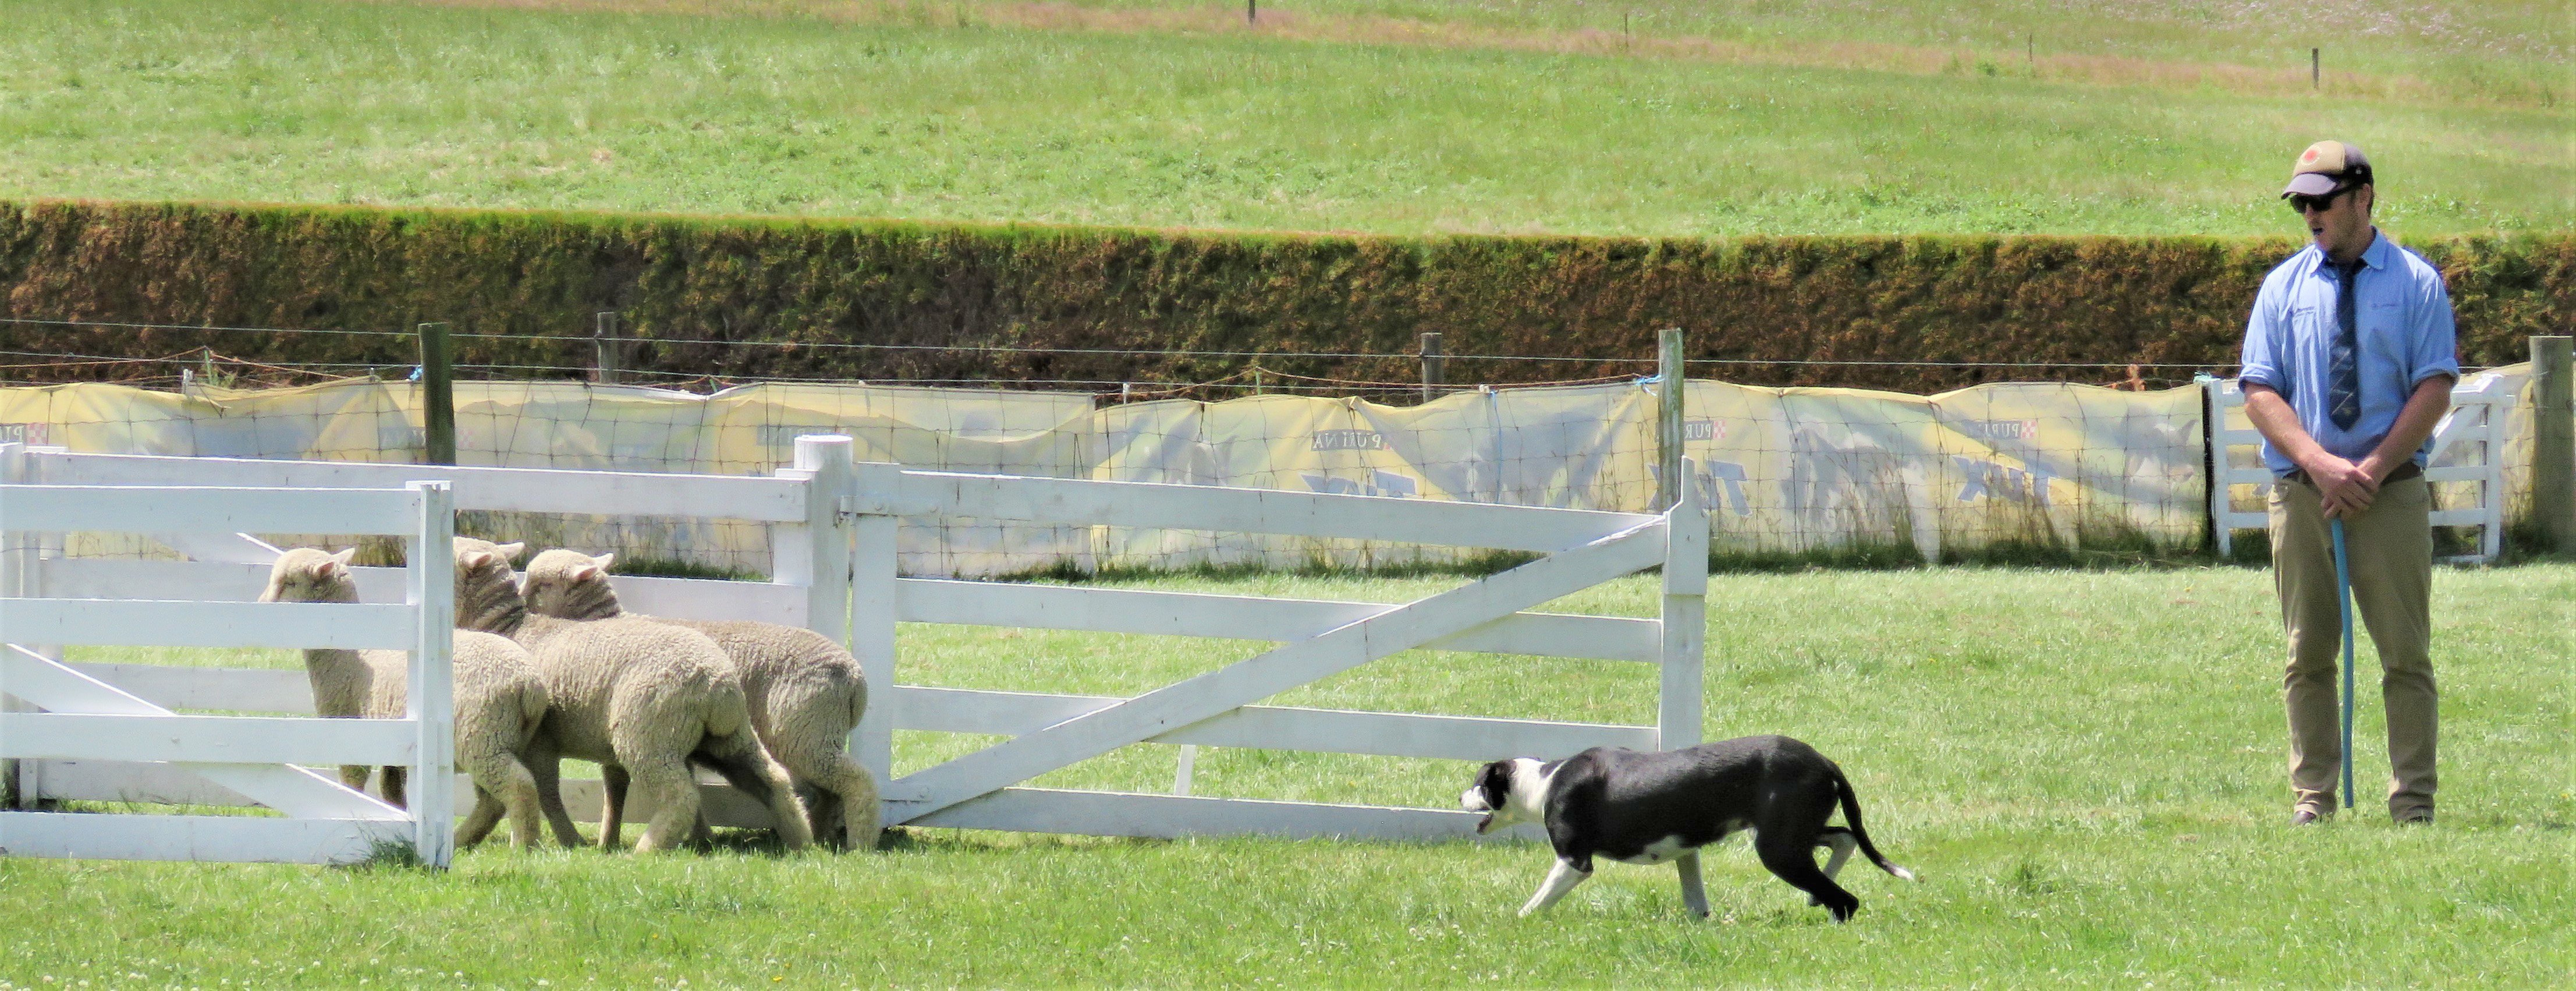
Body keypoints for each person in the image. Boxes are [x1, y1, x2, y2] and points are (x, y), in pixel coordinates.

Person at [2237, 140, 2457, 825]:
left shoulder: (2418, 284)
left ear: (2363, 197)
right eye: (2300, 202)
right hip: (2303, 496)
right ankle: (2313, 799)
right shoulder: (2281, 287)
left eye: (2320, 199)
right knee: (2306, 655)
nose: (2308, 213)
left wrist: (2370, 469)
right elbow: (2259, 388)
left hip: (2389, 495)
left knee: (2405, 656)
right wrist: (2321, 465)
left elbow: (2435, 382)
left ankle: (2412, 804)